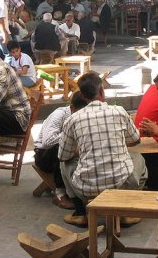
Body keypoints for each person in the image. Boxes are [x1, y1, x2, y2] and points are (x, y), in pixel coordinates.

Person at [59, 72, 148, 227]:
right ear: (101, 91)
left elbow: (63, 156)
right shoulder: (119, 111)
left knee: (64, 165)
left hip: (86, 188)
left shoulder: (72, 119)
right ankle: (125, 214)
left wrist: (81, 151)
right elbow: (135, 140)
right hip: (123, 183)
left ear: (83, 95)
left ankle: (82, 213)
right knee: (138, 158)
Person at [34, 91, 87, 210]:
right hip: (44, 156)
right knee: (63, 148)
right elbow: (47, 142)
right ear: (72, 108)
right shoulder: (59, 114)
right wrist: (68, 136)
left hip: (70, 152)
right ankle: (60, 194)